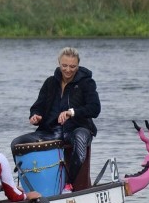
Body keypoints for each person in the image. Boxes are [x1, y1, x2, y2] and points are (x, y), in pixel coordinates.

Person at [11, 47, 101, 191]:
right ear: (59, 63)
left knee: (80, 140)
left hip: (78, 128)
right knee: (16, 143)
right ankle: (23, 186)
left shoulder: (87, 83)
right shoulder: (50, 83)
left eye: (72, 66)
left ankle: (68, 184)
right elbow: (37, 107)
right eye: (64, 66)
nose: (68, 70)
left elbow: (95, 109)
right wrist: (35, 116)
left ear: (78, 65)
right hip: (51, 130)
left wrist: (72, 112)